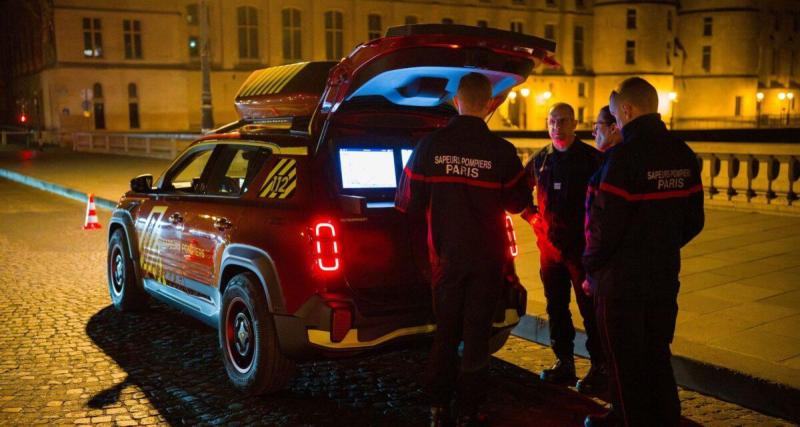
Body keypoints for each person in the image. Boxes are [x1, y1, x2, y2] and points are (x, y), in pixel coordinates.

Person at [395, 72, 531, 426]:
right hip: (488, 261)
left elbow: (407, 202)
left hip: (446, 259)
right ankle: (470, 408)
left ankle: (438, 408)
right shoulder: (501, 151)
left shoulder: (430, 146)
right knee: (477, 337)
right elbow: (518, 203)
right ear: (488, 105)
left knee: (446, 333)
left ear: (456, 101)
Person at [582, 78, 704, 427]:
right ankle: (666, 418)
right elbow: (694, 220)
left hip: (621, 283)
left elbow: (604, 228)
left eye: (616, 115)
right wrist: (660, 245)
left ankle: (626, 418)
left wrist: (591, 267)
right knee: (656, 354)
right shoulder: (682, 152)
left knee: (624, 361)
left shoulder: (622, 159)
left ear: (627, 110)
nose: (615, 122)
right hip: (663, 276)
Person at [522, 103, 605, 392]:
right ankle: (564, 362)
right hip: (549, 249)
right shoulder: (540, 159)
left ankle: (600, 366)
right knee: (556, 307)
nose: (556, 126)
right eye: (552, 121)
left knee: (590, 310)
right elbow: (519, 190)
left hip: (581, 250)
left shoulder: (591, 158)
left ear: (574, 123)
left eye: (562, 121)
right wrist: (531, 215)